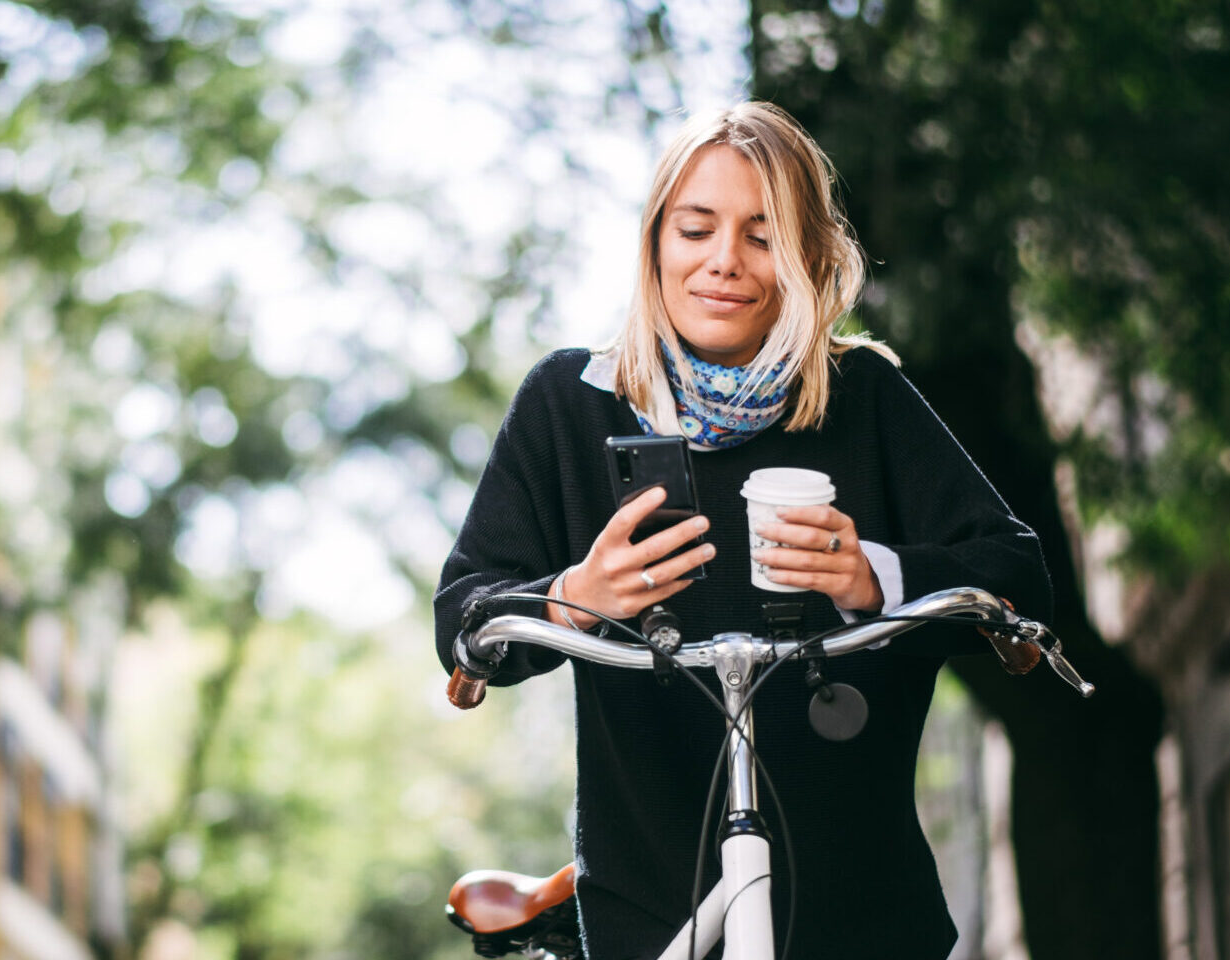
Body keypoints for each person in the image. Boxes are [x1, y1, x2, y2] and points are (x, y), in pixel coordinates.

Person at [432, 101, 1052, 959]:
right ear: (655, 244)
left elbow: (1017, 573)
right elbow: (463, 615)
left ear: (804, 257)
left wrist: (872, 579)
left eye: (762, 236)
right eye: (695, 229)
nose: (724, 261)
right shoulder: (568, 404)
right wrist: (577, 597)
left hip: (861, 905)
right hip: (648, 894)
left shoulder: (861, 397)